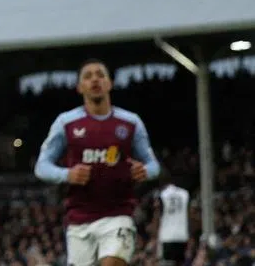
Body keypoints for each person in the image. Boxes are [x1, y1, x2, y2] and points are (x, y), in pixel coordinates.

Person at [35, 59, 161, 266]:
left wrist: (144, 171)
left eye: (100, 75)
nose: (95, 79)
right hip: (79, 220)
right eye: (88, 76)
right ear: (79, 87)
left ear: (109, 83)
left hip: (118, 215)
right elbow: (42, 166)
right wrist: (67, 174)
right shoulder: (65, 123)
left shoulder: (130, 122)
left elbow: (153, 165)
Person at [156, 171, 190, 266]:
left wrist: (155, 234)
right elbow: (189, 215)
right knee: (180, 262)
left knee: (167, 262)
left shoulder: (162, 195)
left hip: (167, 236)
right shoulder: (184, 193)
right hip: (182, 235)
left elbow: (158, 215)